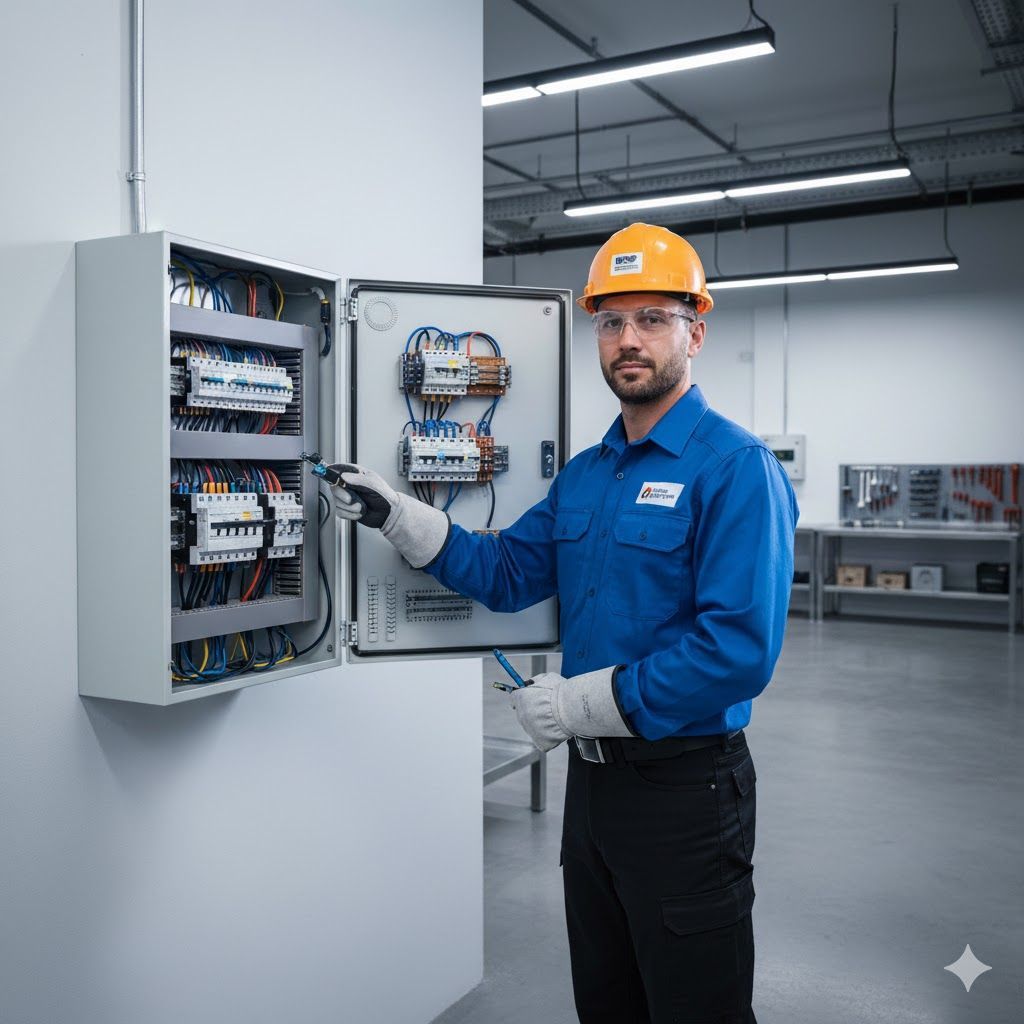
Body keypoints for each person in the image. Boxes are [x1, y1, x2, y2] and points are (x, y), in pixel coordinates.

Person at [331, 222, 797, 1023]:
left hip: (687, 789)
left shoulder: (734, 468)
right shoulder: (585, 476)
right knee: (608, 1000)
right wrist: (400, 516)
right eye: (611, 321)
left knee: (695, 1008)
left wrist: (583, 704)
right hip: (595, 792)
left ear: (696, 330)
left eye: (652, 318)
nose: (628, 340)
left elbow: (737, 654)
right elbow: (509, 573)